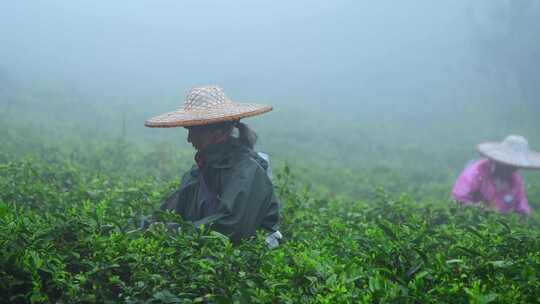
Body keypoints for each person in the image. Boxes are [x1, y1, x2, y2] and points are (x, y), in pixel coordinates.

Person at [144, 85, 281, 246]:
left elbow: (231, 228)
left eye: (193, 131)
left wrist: (173, 231)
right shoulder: (197, 173)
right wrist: (148, 226)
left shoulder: (247, 172)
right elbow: (169, 211)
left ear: (218, 132)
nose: (189, 139)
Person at [451, 135, 540, 215]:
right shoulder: (476, 171)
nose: (513, 168)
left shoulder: (515, 179)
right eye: (510, 165)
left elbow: (522, 207)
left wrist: (522, 216)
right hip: (471, 223)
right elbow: (457, 199)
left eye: (515, 166)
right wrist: (475, 208)